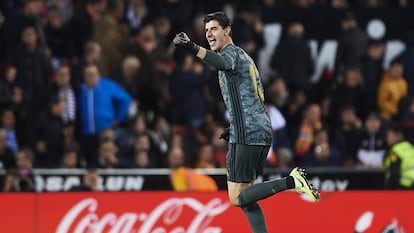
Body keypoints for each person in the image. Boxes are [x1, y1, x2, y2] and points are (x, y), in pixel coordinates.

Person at [173, 12, 319, 233]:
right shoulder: (244, 56)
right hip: (253, 129)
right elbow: (250, 95)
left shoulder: (230, 54)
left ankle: (292, 181)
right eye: (206, 31)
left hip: (248, 132)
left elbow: (222, 63)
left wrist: (192, 47)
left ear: (227, 31)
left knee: (238, 197)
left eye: (213, 29)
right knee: (246, 198)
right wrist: (234, 127)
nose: (209, 34)